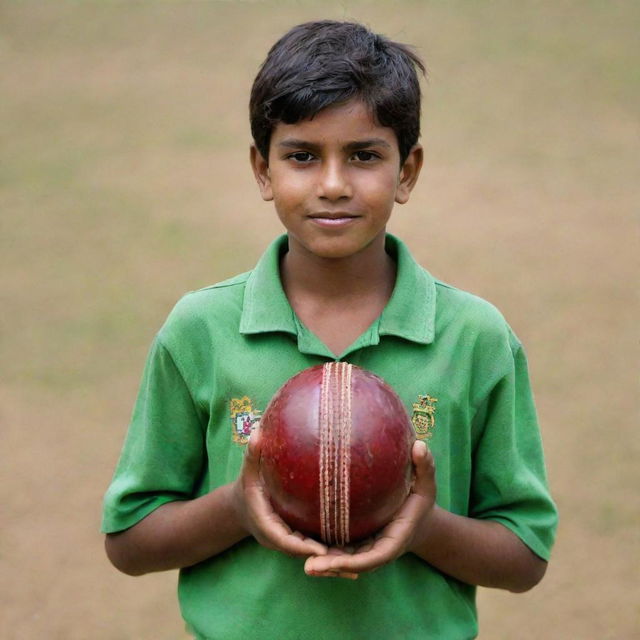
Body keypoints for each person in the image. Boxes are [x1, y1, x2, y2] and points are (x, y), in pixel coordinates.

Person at [102, 20, 558, 639]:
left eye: (365, 155)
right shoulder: (202, 329)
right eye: (302, 156)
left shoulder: (472, 335)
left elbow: (524, 556)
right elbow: (130, 541)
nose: (334, 184)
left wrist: (419, 525)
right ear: (263, 170)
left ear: (408, 170)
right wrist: (239, 507)